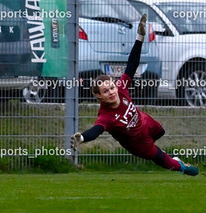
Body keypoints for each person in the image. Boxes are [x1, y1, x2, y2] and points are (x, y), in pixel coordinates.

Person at [71, 14, 199, 176]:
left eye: (111, 87)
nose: (111, 92)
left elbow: (132, 64)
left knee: (161, 132)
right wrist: (81, 138)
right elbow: (96, 131)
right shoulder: (106, 116)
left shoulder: (121, 87)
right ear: (99, 97)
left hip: (145, 121)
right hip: (138, 144)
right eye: (105, 91)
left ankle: (172, 158)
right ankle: (180, 166)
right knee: (170, 163)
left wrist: (140, 37)